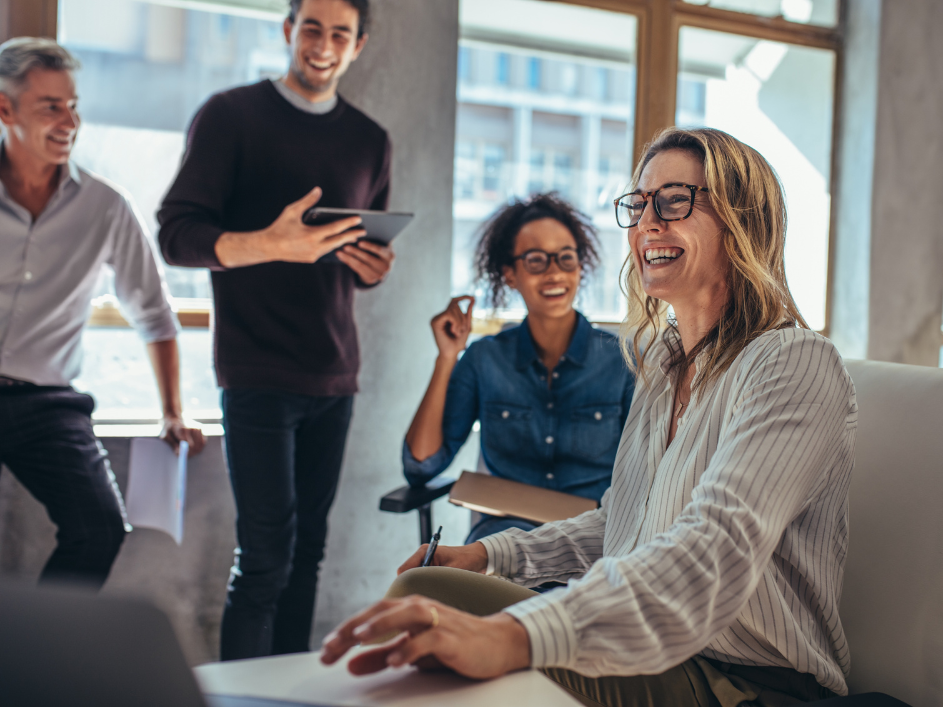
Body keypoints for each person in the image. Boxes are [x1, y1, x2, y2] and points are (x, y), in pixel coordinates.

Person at [321, 127, 858, 707]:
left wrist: (515, 635)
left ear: (742, 219)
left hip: (743, 679)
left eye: (675, 200)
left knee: (454, 636)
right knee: (426, 589)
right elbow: (621, 524)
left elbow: (710, 552)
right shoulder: (663, 361)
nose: (648, 223)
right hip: (653, 644)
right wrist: (490, 554)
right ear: (510, 275)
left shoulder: (794, 361)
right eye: (639, 204)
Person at [157, 0, 393, 661]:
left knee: (307, 556)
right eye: (311, 27)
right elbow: (177, 235)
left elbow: (358, 252)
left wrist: (373, 266)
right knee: (264, 559)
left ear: (358, 46)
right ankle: (241, 694)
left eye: (339, 33)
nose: (322, 43)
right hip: (256, 369)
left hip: (335, 370)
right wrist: (268, 243)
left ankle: (290, 692)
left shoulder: (371, 140)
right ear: (288, 31)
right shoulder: (230, 116)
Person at [0, 38, 205, 589]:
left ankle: (36, 658)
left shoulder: (106, 207)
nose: (70, 120)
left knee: (99, 528)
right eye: (51, 107)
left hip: (47, 402)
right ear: (5, 109)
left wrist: (172, 412)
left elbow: (154, 315)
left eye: (73, 105)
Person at [403, 194, 634, 543]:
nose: (555, 272)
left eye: (566, 258)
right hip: (501, 542)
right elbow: (421, 465)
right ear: (509, 274)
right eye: (536, 260)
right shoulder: (484, 359)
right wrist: (447, 357)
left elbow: (651, 475)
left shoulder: (624, 361)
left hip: (593, 545)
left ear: (580, 267)